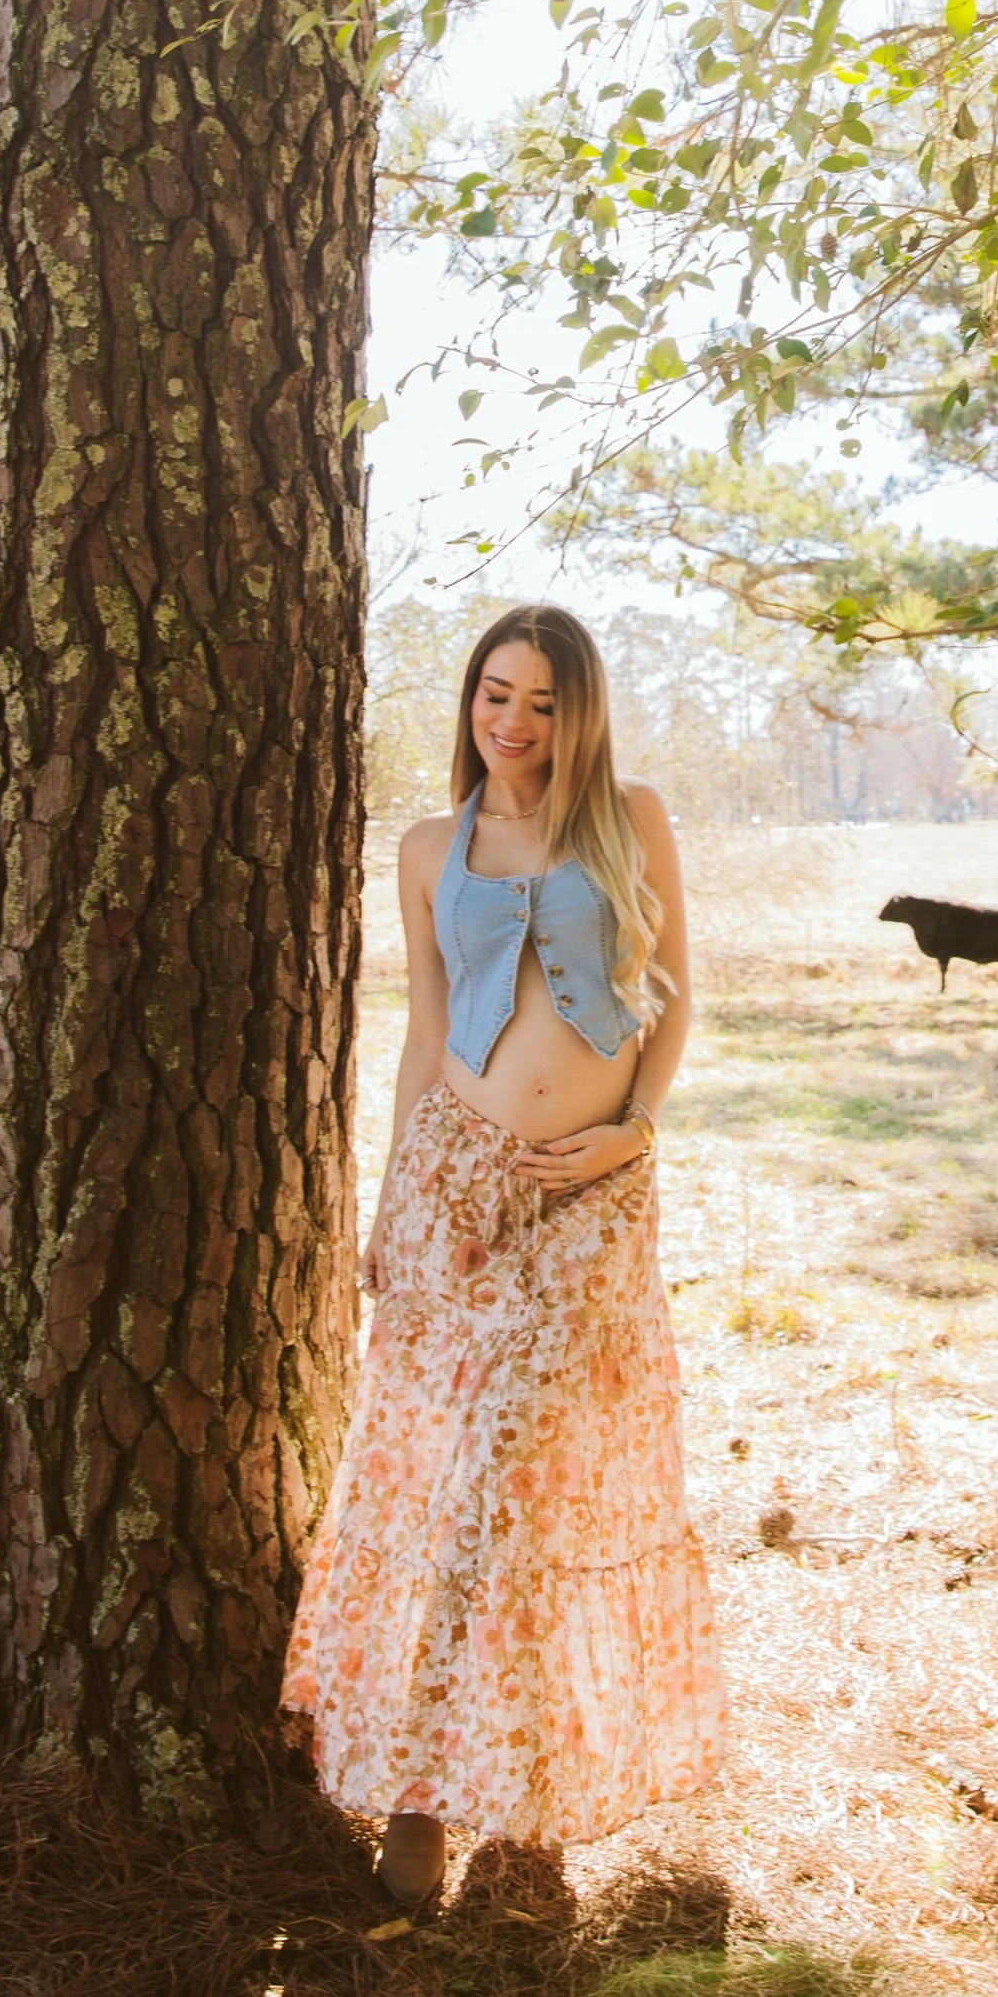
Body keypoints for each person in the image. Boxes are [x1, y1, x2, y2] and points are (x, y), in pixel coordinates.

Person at [284, 604, 725, 1900]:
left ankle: (525, 1780)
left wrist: (632, 1132)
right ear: (468, 701)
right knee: (446, 1482)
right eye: (494, 693)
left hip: (590, 1195)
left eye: (540, 700)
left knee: (538, 1483)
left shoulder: (631, 818)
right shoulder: (430, 846)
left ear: (576, 711)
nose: (513, 721)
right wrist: (386, 1201)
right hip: (454, 1187)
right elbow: (427, 1029)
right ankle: (425, 1785)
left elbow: (677, 989)